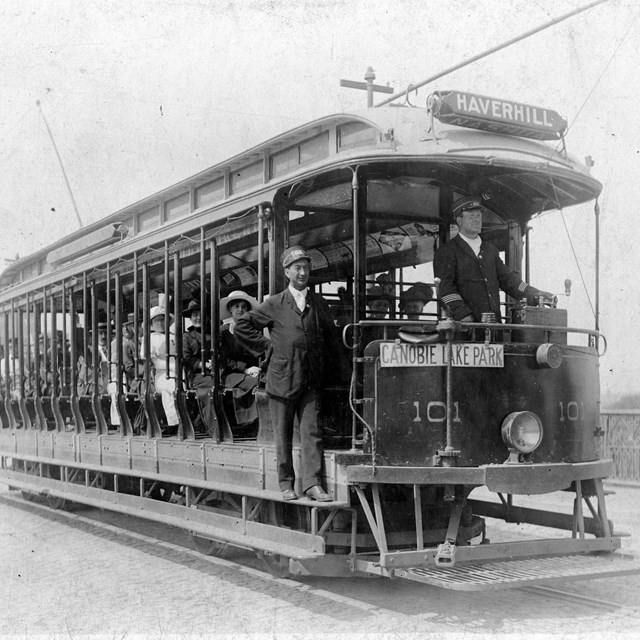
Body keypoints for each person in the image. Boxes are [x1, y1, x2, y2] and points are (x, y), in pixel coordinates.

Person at [234, 246, 344, 502]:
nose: (303, 272)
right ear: (287, 272)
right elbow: (242, 325)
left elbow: (332, 339)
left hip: (311, 379)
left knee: (312, 433)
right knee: (282, 434)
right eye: (297, 268)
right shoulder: (275, 303)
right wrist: (267, 346)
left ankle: (313, 485)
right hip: (282, 378)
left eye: (306, 267)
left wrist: (340, 371)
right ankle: (286, 484)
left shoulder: (318, 303)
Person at [433, 196, 553, 322]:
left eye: (479, 216)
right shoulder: (447, 251)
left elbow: (510, 280)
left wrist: (535, 294)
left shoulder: (490, 250)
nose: (477, 220)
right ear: (459, 220)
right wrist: (463, 314)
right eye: (471, 216)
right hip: (464, 329)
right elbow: (445, 288)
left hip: (495, 327)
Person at [219, 290, 260, 426]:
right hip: (230, 374)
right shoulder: (223, 331)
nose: (240, 309)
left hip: (252, 372)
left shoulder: (253, 330)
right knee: (258, 383)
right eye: (236, 306)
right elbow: (223, 359)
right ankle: (248, 423)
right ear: (230, 309)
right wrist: (246, 370)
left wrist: (259, 368)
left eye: (243, 307)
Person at [181, 299, 215, 434]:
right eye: (195, 314)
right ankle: (212, 427)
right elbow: (185, 358)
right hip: (196, 375)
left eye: (201, 314)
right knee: (213, 386)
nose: (198, 317)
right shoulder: (187, 336)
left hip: (215, 370)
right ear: (190, 318)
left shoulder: (213, 333)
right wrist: (203, 365)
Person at [144, 306, 179, 432]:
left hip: (179, 371)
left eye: (162, 320)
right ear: (151, 323)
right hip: (162, 374)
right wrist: (170, 366)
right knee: (170, 387)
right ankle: (175, 423)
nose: (160, 323)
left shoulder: (174, 336)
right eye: (156, 321)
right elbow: (152, 360)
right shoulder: (149, 338)